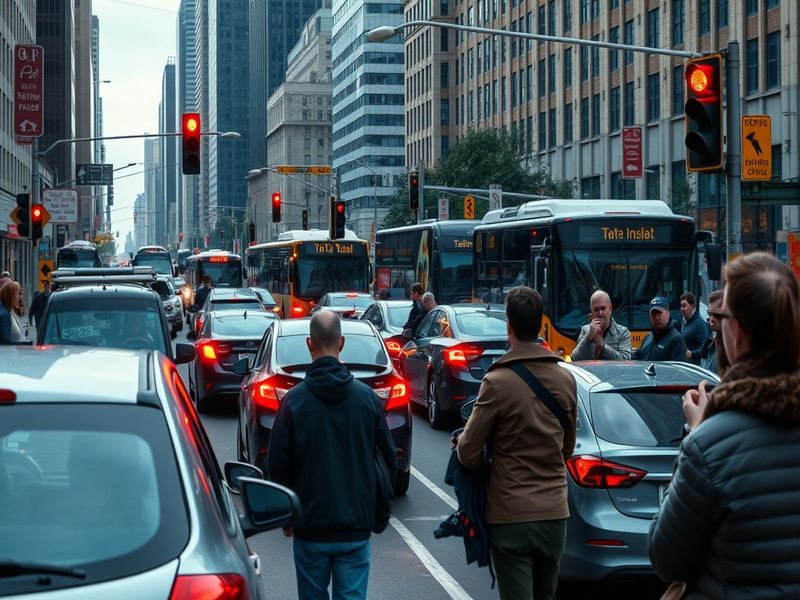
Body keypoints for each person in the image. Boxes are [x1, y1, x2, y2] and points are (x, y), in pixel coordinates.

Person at [649, 252, 800, 598]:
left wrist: (698, 433)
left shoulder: (710, 443)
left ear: (740, 330)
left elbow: (665, 559)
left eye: (721, 315)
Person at [456, 286, 578, 600]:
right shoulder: (566, 379)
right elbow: (567, 448)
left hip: (511, 516)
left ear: (508, 326)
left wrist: (487, 462)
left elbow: (467, 450)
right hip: (554, 515)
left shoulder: (497, 382)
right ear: (540, 325)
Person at [268, 311, 397, 600]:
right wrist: (375, 509)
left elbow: (277, 464)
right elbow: (389, 459)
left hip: (310, 526)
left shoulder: (294, 402)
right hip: (355, 526)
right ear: (341, 343)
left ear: (308, 344)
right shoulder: (366, 399)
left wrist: (286, 518)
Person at [571, 290, 632, 360]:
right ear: (591, 311)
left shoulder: (623, 332)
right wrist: (588, 339)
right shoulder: (585, 330)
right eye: (596, 309)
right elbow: (575, 359)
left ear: (610, 309)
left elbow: (625, 360)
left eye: (603, 308)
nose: (600, 313)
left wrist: (602, 345)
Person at [632, 296, 687, 362]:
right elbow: (635, 359)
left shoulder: (676, 340)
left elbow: (677, 370)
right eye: (653, 314)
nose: (657, 318)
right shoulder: (648, 337)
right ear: (649, 315)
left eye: (659, 313)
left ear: (668, 314)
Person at [699, 289, 727, 375]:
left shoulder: (731, 347)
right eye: (710, 314)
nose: (711, 319)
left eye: (717, 315)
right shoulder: (710, 343)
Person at [678, 291, 709, 365]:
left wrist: (691, 354)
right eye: (681, 306)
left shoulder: (700, 325)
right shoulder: (684, 322)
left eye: (684, 306)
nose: (681, 309)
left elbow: (707, 349)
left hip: (694, 369)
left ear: (692, 306)